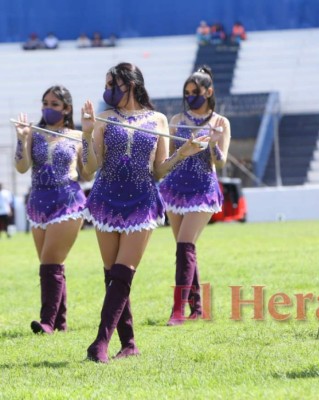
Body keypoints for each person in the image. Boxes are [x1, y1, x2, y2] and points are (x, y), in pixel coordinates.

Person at [81, 62, 204, 363]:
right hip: (106, 198)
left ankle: (99, 342)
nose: (107, 90)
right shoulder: (104, 119)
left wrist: (182, 153)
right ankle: (129, 343)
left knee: (124, 271)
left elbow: (159, 169)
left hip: (142, 200)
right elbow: (89, 168)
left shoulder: (158, 119)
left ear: (131, 84)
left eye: (113, 84)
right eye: (106, 84)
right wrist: (86, 135)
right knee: (112, 276)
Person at [13, 85, 92, 334]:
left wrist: (89, 137)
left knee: (49, 263)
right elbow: (22, 167)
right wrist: (22, 139)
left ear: (67, 108)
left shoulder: (76, 136)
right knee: (53, 265)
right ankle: (60, 322)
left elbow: (88, 171)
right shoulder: (34, 134)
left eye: (55, 104)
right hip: (38, 202)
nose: (48, 108)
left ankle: (47, 321)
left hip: (67, 201)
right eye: (45, 103)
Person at [159, 66, 231, 326]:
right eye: (187, 92)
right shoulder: (176, 120)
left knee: (185, 245)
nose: (190, 96)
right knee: (184, 249)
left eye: (196, 92)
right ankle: (196, 306)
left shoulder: (220, 122)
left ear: (209, 92)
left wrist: (213, 142)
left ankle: (178, 310)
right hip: (175, 187)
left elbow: (220, 162)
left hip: (203, 188)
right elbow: (169, 157)